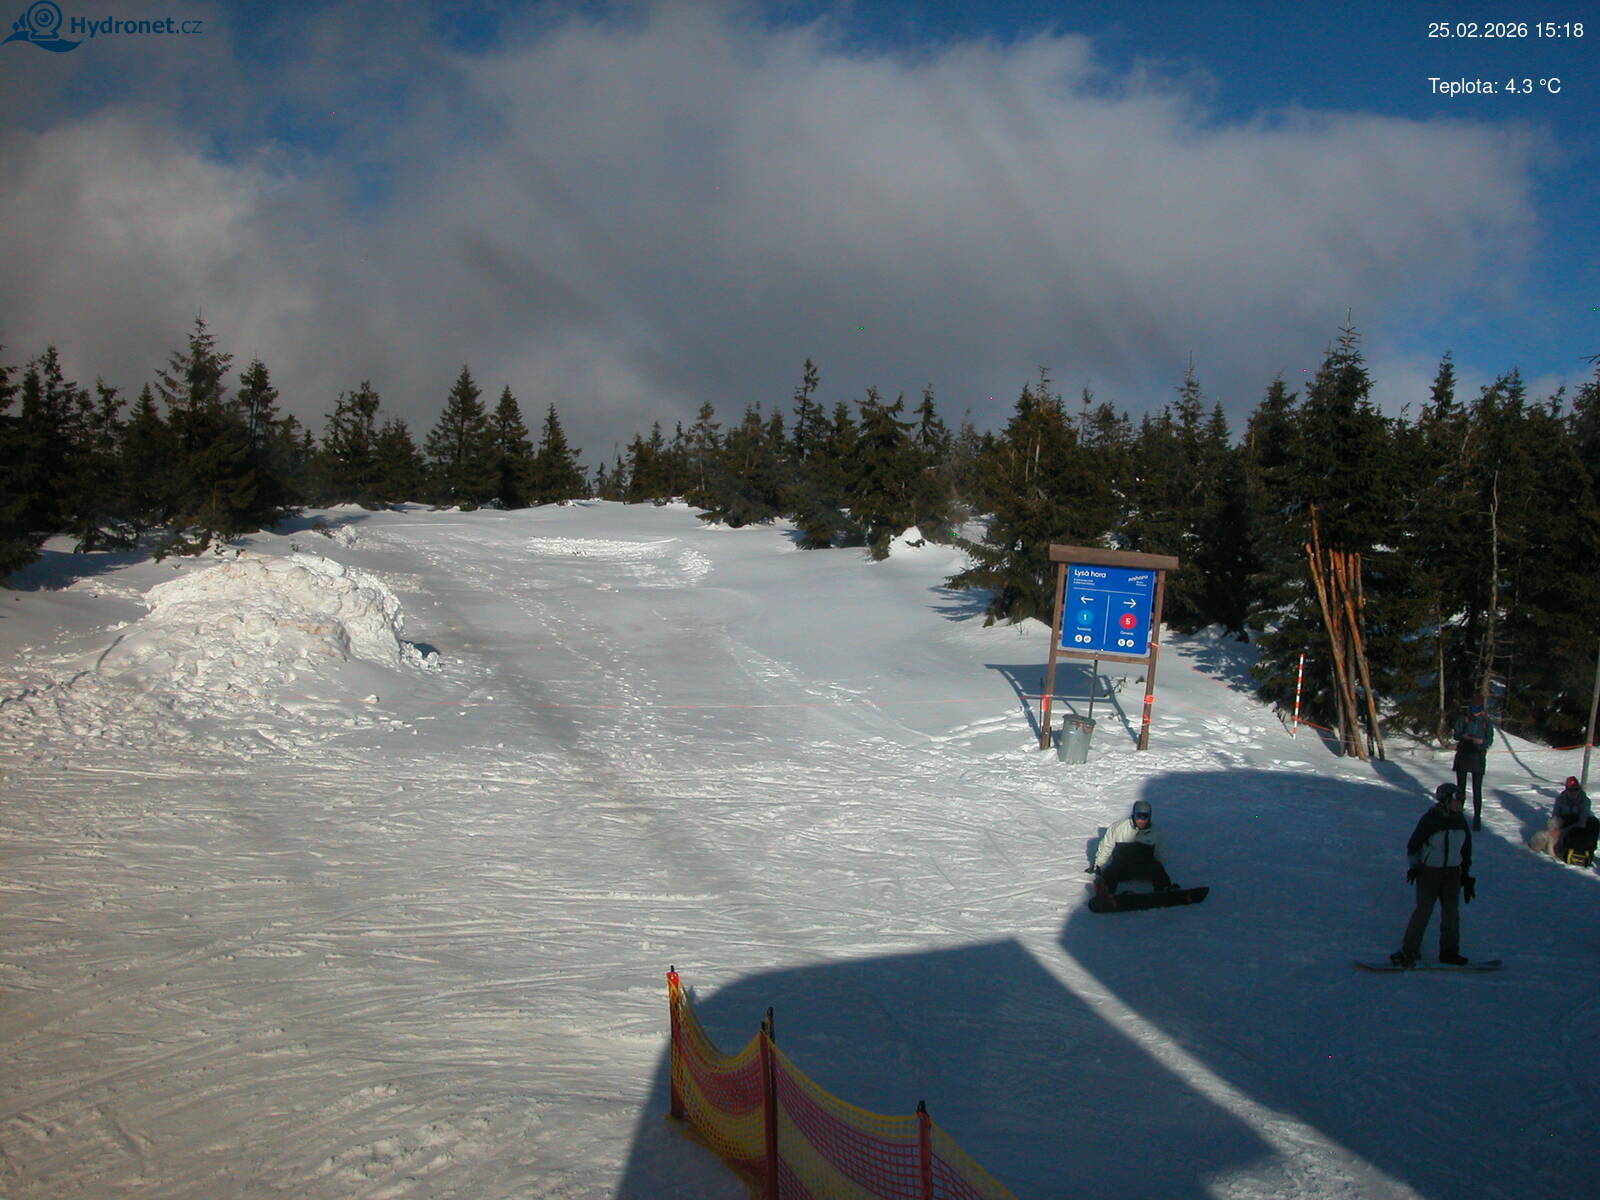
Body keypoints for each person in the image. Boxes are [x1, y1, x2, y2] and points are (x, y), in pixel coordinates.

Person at [1391, 782, 1474, 968]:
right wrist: (1415, 866)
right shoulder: (1430, 820)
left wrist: (1465, 874)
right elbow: (1413, 846)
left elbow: (1466, 850)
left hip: (1452, 873)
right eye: (1456, 799)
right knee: (1423, 912)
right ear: (1444, 800)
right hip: (1429, 873)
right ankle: (1409, 951)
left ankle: (1449, 953)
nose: (1459, 803)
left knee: (1451, 915)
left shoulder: (1460, 821)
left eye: (1461, 800)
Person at [1092, 799, 1176, 898]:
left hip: (1144, 868)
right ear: (1133, 815)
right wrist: (1098, 865)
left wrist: (1158, 870)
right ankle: (1106, 893)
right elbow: (1106, 846)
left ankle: (1166, 890)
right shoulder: (1118, 828)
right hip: (1122, 868)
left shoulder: (1155, 832)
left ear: (1150, 817)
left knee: (1157, 868)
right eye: (1139, 816)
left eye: (1145, 817)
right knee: (1110, 872)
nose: (1142, 820)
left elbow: (1161, 853)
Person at [1452, 694, 1493, 830]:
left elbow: (1489, 740)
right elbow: (1456, 734)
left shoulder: (1486, 722)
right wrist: (1463, 736)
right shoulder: (1463, 719)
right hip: (1463, 755)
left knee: (1477, 790)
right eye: (1473, 707)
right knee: (1460, 789)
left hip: (1478, 757)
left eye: (1477, 708)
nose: (1474, 710)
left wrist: (1481, 742)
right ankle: (1458, 815)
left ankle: (1477, 818)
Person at [1541, 776, 1597, 864]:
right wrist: (1553, 829)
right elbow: (1555, 817)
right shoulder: (1560, 799)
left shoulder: (1585, 801)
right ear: (1566, 790)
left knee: (1594, 823)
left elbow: (1582, 823)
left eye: (1576, 789)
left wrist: (1562, 831)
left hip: (1578, 824)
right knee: (1554, 827)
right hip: (1565, 821)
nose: (1574, 792)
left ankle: (1589, 852)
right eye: (1571, 790)